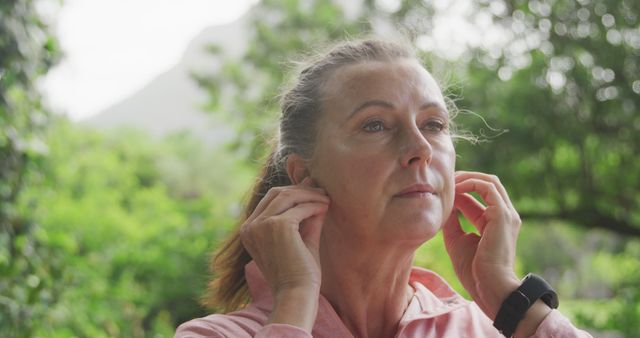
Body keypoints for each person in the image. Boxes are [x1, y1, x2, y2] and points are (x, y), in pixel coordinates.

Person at [175, 39, 592, 338]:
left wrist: (508, 295)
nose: (420, 150)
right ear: (304, 176)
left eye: (433, 124)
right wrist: (294, 302)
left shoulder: (489, 328)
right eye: (375, 124)